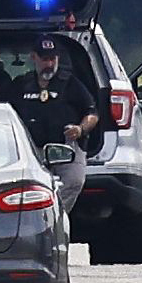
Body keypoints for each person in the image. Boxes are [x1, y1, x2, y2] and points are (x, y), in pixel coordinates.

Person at [9, 35, 100, 213]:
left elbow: (92, 113)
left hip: (66, 146)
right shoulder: (22, 84)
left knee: (74, 180)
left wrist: (81, 129)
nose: (49, 64)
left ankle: (54, 216)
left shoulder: (70, 83)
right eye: (45, 59)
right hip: (31, 149)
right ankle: (36, 217)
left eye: (53, 59)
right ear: (33, 57)